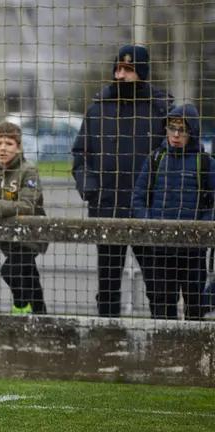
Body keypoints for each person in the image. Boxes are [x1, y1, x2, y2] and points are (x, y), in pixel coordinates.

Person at [71, 45, 173, 317]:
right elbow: (81, 155)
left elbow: (174, 155)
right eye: (118, 68)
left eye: (128, 69)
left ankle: (162, 342)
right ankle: (107, 343)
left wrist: (161, 196)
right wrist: (91, 191)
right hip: (107, 209)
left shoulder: (161, 109)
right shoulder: (97, 109)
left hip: (149, 212)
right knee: (107, 287)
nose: (120, 75)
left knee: (158, 286)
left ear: (141, 72)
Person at [131, 104, 214, 320]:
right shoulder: (155, 159)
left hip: (193, 250)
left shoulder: (205, 163)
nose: (176, 135)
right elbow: (138, 198)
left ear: (192, 132)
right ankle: (161, 351)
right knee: (161, 304)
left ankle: (195, 352)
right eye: (172, 128)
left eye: (182, 130)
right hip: (160, 249)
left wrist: (201, 227)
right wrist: (150, 223)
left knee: (194, 305)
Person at [0, 121, 48, 314]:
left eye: (9, 143)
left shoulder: (29, 171)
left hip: (30, 236)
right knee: (30, 277)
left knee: (11, 271)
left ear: (19, 147)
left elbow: (27, 206)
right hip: (6, 238)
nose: (3, 148)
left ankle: (21, 306)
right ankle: (42, 317)